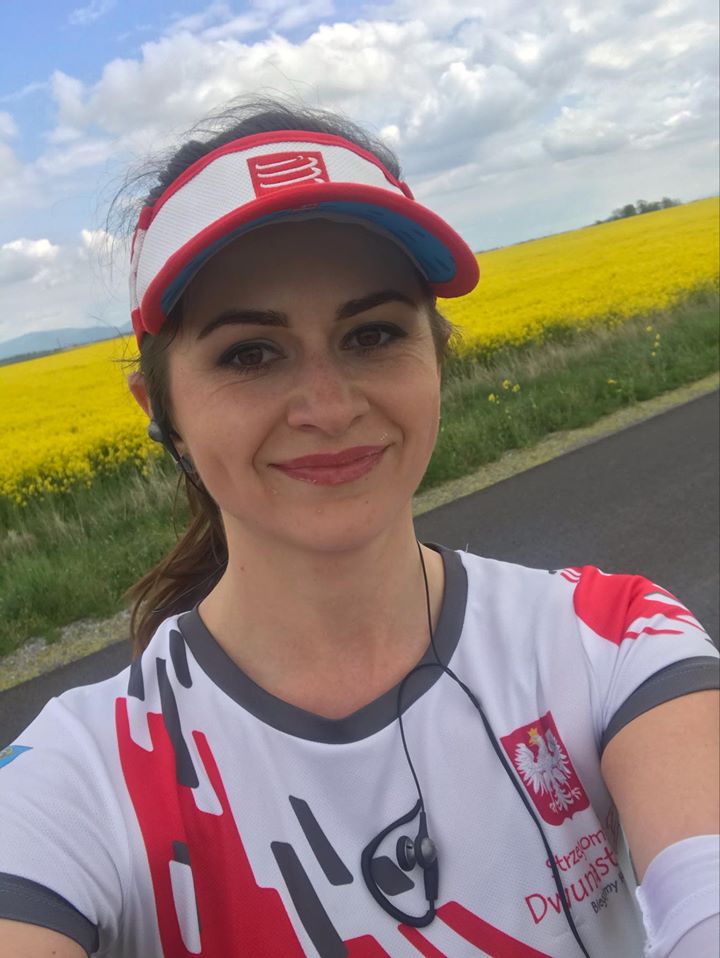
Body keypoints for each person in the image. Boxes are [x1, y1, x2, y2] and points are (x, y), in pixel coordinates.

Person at [0, 97, 718, 958]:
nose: (330, 406)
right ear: (162, 412)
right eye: (250, 354)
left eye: (372, 334)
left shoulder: (613, 640)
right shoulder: (79, 778)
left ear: (437, 358)